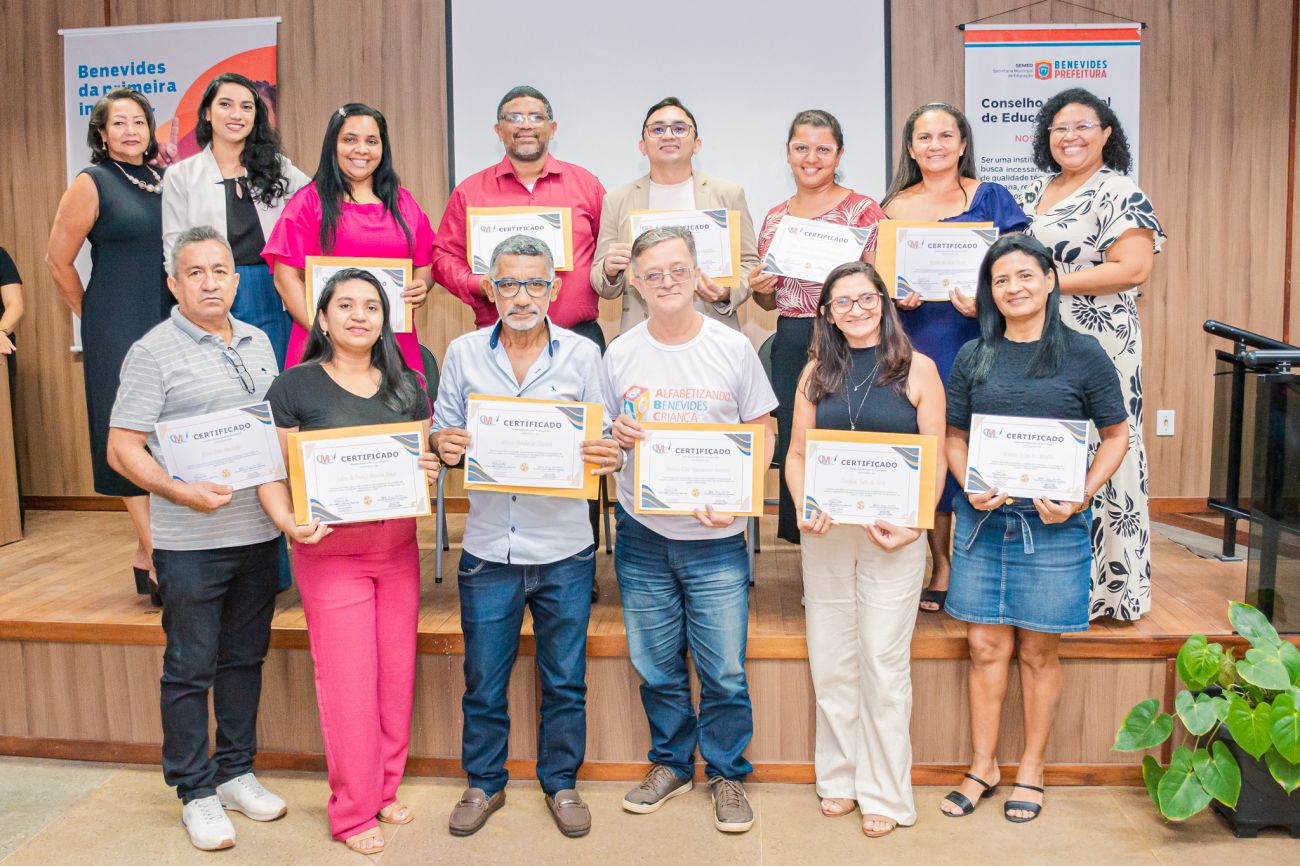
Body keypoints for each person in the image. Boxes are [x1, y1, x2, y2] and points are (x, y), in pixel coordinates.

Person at [106, 226, 288, 851]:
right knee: (189, 669)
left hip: (258, 534)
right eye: (195, 273)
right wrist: (179, 491)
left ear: (236, 281)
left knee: (244, 659)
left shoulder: (259, 340)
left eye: (219, 271)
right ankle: (195, 791)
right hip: (189, 544)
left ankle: (235, 772)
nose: (210, 283)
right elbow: (122, 448)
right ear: (174, 284)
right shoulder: (151, 352)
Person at [433, 235, 620, 839]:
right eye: (509, 283)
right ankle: (484, 783)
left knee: (565, 681)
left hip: (564, 548)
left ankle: (561, 783)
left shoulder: (583, 355)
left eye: (535, 283)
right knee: (483, 682)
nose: (522, 296)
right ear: (491, 288)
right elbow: (442, 430)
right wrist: (444, 443)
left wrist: (609, 453)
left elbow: (607, 439)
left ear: (554, 289)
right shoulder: (463, 353)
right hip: (489, 548)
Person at [939, 234, 1128, 823]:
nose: (1013, 288)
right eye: (1000, 280)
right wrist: (968, 483)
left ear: (1049, 280)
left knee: (1039, 652)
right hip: (983, 520)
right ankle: (983, 766)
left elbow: (1116, 435)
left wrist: (1080, 494)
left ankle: (1032, 767)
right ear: (989, 292)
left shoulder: (1084, 353)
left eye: (1025, 276)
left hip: (1053, 525)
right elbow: (953, 436)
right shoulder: (974, 354)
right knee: (983, 646)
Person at [257, 268, 440, 855]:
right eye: (345, 305)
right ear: (323, 317)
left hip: (397, 551)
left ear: (387, 319)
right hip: (329, 555)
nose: (359, 315)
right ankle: (353, 811)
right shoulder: (294, 387)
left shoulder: (409, 383)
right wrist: (288, 523)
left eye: (371, 306)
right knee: (348, 685)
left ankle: (384, 788)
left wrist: (428, 469)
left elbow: (423, 464)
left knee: (394, 677)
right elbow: (269, 473)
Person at [604, 226, 777, 834]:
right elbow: (603, 442)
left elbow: (763, 429)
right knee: (656, 665)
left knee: (723, 669)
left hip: (716, 540)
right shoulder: (620, 352)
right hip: (642, 534)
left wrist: (742, 499)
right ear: (636, 283)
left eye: (678, 270)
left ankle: (727, 772)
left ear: (697, 272)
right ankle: (672, 764)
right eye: (653, 274)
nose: (667, 282)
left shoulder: (732, 347)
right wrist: (614, 438)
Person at [783, 262, 946, 837]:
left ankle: (885, 791)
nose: (856, 309)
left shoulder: (918, 369)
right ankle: (839, 777)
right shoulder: (815, 372)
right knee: (831, 659)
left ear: (884, 302)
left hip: (894, 536)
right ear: (827, 313)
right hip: (827, 534)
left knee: (882, 661)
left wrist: (917, 524)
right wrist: (803, 505)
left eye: (866, 298)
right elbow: (796, 455)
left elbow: (935, 457)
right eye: (842, 302)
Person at [1019, 88, 1166, 622]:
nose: (1070, 136)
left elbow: (1133, 268)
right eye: (1059, 127)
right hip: (1039, 335)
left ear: (1106, 133)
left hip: (1100, 338)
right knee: (1049, 443)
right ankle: (1055, 581)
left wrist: (1049, 284)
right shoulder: (1037, 189)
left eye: (1083, 125)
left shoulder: (1120, 191)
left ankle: (1111, 588)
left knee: (1107, 443)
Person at [880, 102, 1029, 614]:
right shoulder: (893, 207)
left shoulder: (991, 196)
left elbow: (1019, 268)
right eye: (924, 137)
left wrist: (987, 298)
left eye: (946, 135)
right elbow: (878, 279)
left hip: (976, 335)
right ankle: (940, 565)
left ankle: (985, 560)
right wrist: (896, 297)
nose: (936, 145)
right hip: (917, 338)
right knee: (928, 444)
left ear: (963, 143)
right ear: (910, 147)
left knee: (972, 440)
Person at [46, 88, 172, 602]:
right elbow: (58, 261)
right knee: (128, 435)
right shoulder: (91, 181)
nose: (130, 131)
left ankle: (143, 553)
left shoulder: (164, 180)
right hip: (117, 326)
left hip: (168, 320)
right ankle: (159, 556)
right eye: (118, 123)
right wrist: (95, 317)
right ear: (101, 133)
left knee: (164, 437)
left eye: (138, 121)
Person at [751, 109, 886, 544]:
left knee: (848, 428)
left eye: (823, 149)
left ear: (839, 154)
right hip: (793, 337)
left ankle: (858, 528)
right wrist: (760, 288)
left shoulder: (864, 211)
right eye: (802, 148)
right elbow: (770, 299)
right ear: (788, 153)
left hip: (852, 339)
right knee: (799, 435)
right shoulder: (775, 217)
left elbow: (880, 284)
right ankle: (806, 536)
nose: (812, 158)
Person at [262, 103, 434, 374]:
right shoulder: (309, 202)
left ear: (383, 148)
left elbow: (428, 261)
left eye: (372, 141)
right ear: (333, 145)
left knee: (397, 402)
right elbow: (285, 279)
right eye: (350, 140)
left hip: (391, 344)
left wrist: (421, 285)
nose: (361, 150)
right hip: (325, 348)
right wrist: (325, 332)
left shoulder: (403, 202)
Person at [431, 85, 606, 348]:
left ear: (552, 128)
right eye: (514, 118)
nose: (525, 125)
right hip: (499, 337)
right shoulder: (470, 192)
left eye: (536, 117)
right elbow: (443, 257)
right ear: (499, 130)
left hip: (577, 338)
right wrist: (477, 283)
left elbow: (606, 248)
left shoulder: (586, 185)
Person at [162, 72, 310, 365]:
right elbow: (173, 246)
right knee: (219, 377)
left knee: (273, 375)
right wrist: (188, 297)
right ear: (207, 112)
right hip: (210, 288)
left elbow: (316, 200)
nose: (237, 115)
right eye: (225, 104)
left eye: (246, 107)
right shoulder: (182, 175)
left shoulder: (277, 168)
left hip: (269, 289)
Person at [592, 96, 758, 332]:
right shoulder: (617, 200)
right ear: (643, 146)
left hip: (712, 330)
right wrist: (609, 272)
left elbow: (749, 263)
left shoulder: (728, 194)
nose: (668, 135)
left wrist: (726, 293)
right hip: (642, 332)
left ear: (696, 144)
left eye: (679, 129)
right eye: (657, 129)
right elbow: (601, 281)